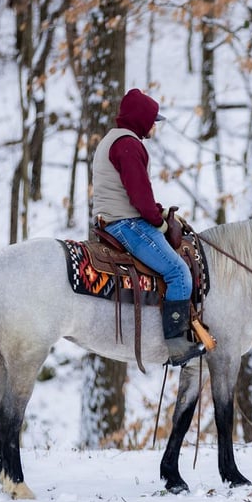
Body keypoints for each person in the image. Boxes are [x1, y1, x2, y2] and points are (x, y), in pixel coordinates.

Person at [92, 88, 205, 367]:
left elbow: (135, 193)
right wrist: (160, 220)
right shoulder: (129, 145)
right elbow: (140, 199)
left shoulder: (112, 140)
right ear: (142, 119)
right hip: (126, 223)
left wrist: (159, 212)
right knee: (178, 273)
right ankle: (178, 346)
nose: (154, 126)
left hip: (113, 219)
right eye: (153, 120)